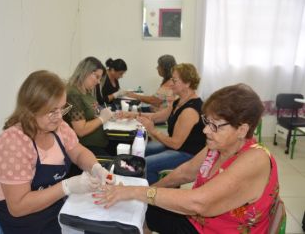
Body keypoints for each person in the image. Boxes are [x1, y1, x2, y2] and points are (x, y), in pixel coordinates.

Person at [93, 83, 280, 234]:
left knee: (140, 212)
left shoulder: (255, 159)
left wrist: (137, 193)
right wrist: (148, 190)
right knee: (140, 212)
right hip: (200, 223)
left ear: (242, 130)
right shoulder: (220, 145)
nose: (206, 130)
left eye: (215, 126)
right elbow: (185, 172)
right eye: (207, 122)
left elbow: (199, 202)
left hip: (214, 228)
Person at [0, 70, 114, 233]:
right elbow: (18, 206)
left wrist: (95, 167)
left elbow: (78, 153)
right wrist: (66, 187)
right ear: (31, 108)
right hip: (22, 223)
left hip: (51, 211)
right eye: (52, 110)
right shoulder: (13, 141)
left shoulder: (59, 126)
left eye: (62, 108)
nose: (58, 116)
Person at [120, 63, 206, 184]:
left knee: (144, 164)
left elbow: (176, 144)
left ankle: (154, 197)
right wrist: (133, 115)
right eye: (171, 79)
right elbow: (158, 117)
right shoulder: (179, 101)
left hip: (187, 154)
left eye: (175, 80)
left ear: (187, 84)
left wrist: (153, 130)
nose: (171, 83)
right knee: (136, 153)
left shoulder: (190, 111)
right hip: (175, 147)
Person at [64, 57, 114, 156]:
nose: (98, 82)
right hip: (86, 148)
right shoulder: (73, 94)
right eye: (97, 77)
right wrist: (102, 118)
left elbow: (94, 109)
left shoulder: (87, 91)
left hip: (100, 142)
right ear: (85, 72)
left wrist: (111, 114)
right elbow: (80, 130)